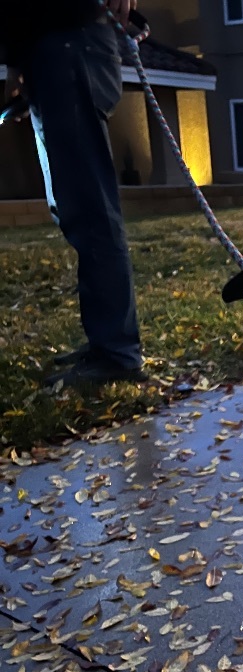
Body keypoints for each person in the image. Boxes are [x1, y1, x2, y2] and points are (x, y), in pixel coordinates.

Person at [1, 0, 145, 386]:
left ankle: (117, 351)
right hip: (51, 48)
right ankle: (106, 343)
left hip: (72, 42)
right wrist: (18, 63)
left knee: (89, 206)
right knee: (73, 206)